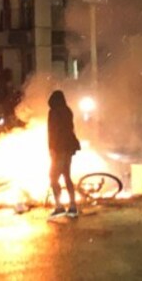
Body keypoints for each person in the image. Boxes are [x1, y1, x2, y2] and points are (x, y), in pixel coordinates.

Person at [47, 90, 81, 219]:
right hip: (68, 148)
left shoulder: (53, 112)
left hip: (59, 149)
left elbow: (53, 132)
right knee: (67, 176)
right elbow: (69, 129)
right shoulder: (68, 111)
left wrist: (52, 149)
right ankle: (72, 206)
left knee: (53, 177)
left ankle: (59, 206)